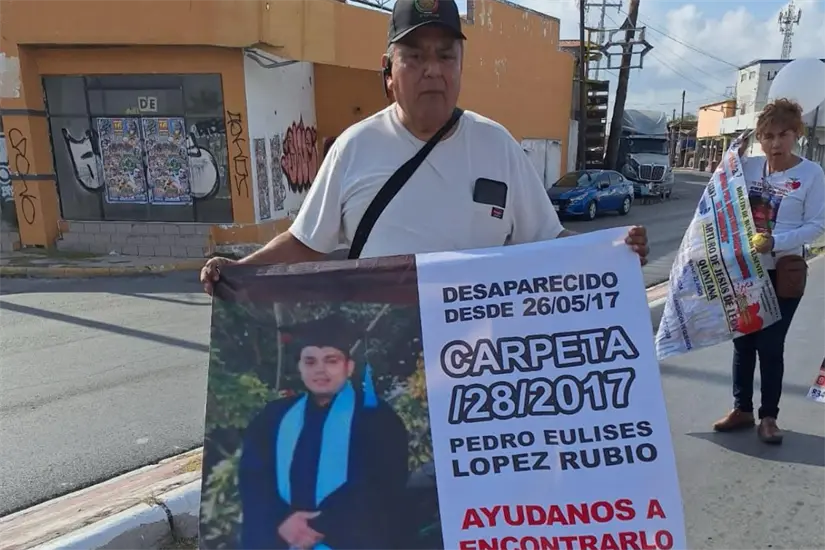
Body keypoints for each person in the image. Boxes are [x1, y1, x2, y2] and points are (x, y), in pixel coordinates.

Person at [200, 0, 649, 293]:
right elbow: (305, 244)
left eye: (444, 55)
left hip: (479, 368)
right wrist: (239, 270)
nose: (431, 69)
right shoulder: (354, 148)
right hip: (384, 363)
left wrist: (612, 252)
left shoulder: (498, 147)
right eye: (414, 56)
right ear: (388, 71)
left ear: (460, 66)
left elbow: (550, 245)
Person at [238, 314, 410, 550]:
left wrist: (321, 525)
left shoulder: (378, 418)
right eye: (310, 361)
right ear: (299, 366)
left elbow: (382, 485)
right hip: (283, 539)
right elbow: (254, 480)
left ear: (349, 367)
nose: (320, 370)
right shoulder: (273, 418)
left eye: (331, 360)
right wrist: (281, 521)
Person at [713, 98, 825, 444]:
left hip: (783, 272)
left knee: (770, 345)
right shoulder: (748, 168)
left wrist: (776, 241)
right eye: (768, 136)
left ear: (797, 134)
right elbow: (719, 194)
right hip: (745, 272)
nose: (775, 143)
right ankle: (741, 409)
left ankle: (769, 417)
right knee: (744, 342)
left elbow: (818, 225)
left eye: (783, 135)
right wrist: (734, 153)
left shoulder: (811, 174)